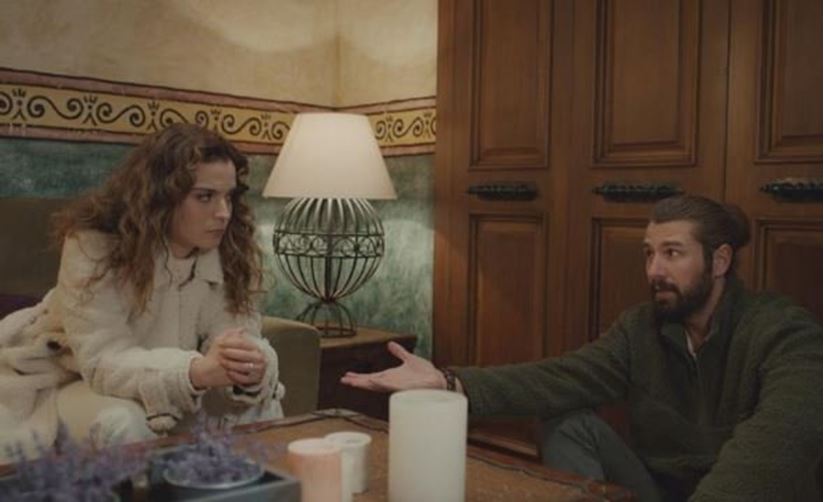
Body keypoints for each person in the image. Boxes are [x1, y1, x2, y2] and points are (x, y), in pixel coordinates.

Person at [342, 195, 822, 501]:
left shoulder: (784, 332)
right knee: (566, 420)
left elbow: (776, 445)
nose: (654, 270)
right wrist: (448, 381)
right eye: (649, 254)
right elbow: (561, 377)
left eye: (672, 253)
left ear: (719, 261)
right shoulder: (641, 328)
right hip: (657, 491)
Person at [0, 123, 284, 455]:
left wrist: (250, 364)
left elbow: (236, 335)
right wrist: (194, 371)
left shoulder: (232, 249)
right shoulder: (93, 245)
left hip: (179, 382)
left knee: (262, 405)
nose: (223, 213)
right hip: (73, 379)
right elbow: (102, 361)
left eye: (229, 197)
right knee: (121, 422)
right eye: (205, 196)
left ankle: (268, 484)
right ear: (162, 195)